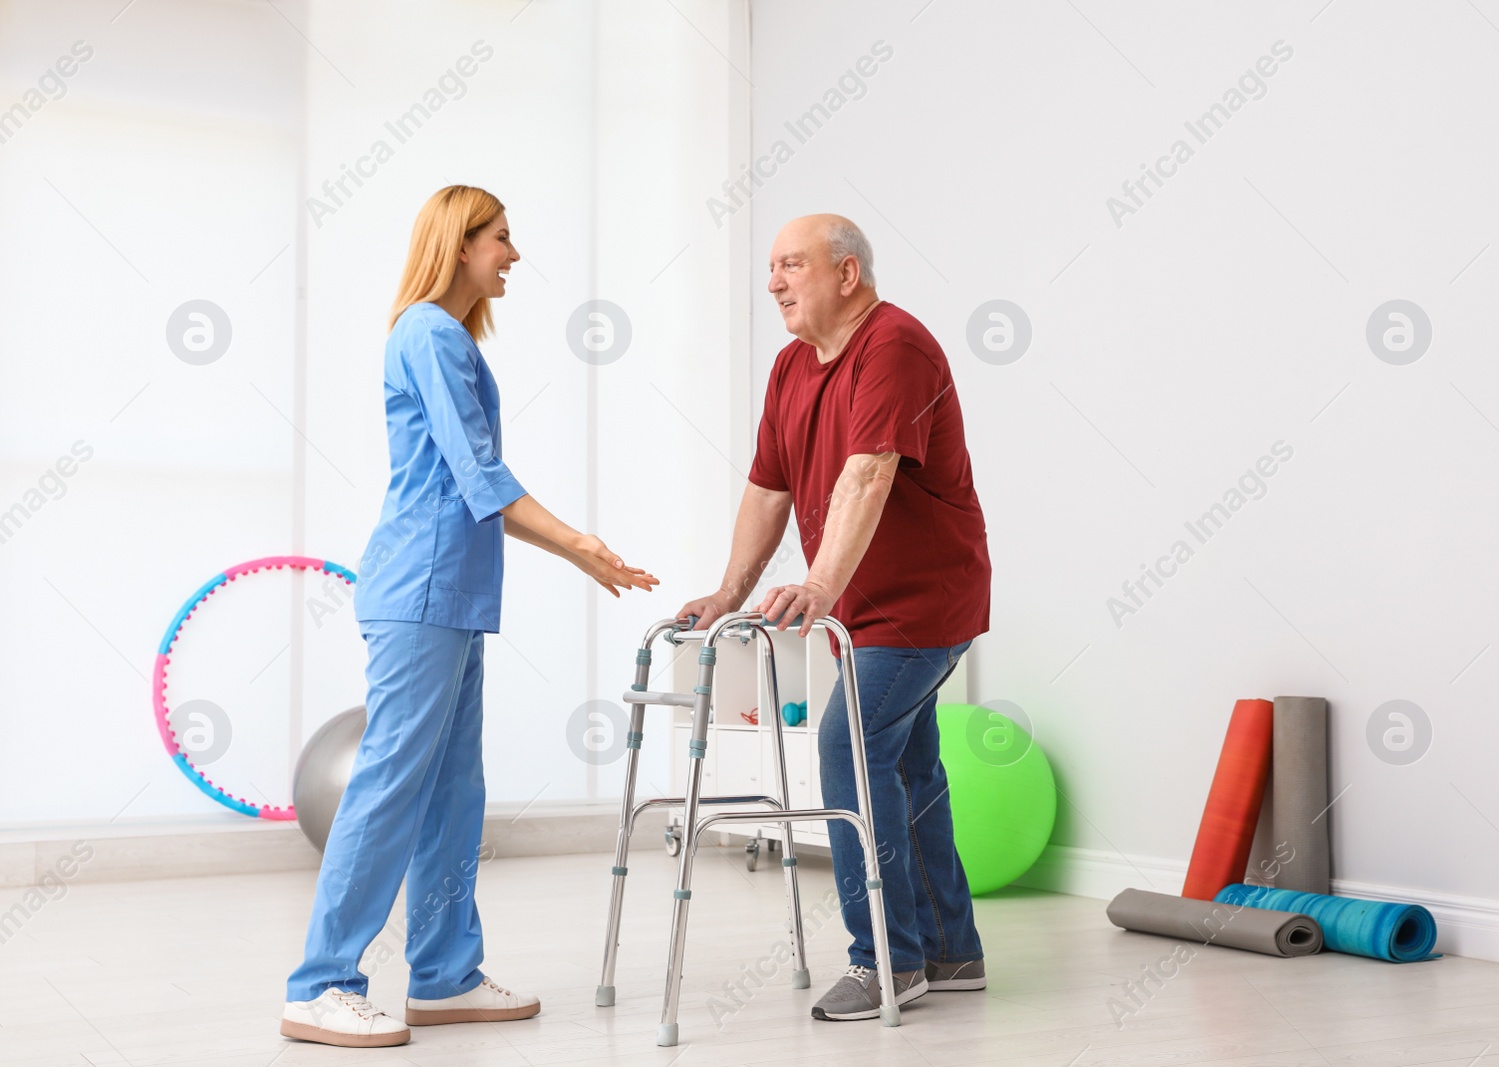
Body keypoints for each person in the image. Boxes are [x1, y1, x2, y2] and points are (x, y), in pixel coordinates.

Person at [281, 185, 657, 1048]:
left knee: (453, 790)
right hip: (420, 590)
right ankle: (321, 982)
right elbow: (477, 473)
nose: (513, 255)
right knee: (390, 785)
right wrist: (577, 543)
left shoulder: (446, 339)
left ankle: (444, 974)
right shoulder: (428, 333)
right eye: (500, 238)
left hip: (453, 593)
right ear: (459, 244)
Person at [679, 213, 991, 1022]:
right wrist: (729, 590)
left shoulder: (894, 346)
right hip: (866, 611)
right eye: (772, 268)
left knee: (846, 743)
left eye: (792, 265)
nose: (775, 281)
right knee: (909, 765)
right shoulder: (791, 365)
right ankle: (951, 951)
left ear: (846, 273)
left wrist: (816, 584)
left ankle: (886, 960)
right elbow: (768, 489)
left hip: (926, 603)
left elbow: (868, 473)